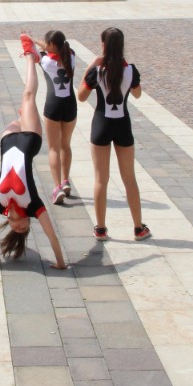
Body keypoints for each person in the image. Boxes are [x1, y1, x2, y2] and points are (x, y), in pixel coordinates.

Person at [0, 35, 67, 269]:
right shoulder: (34, 205)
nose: (18, 226)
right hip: (29, 139)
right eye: (23, 228)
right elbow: (52, 236)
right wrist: (60, 263)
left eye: (14, 228)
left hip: (7, 140)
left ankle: (24, 113)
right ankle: (30, 55)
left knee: (24, 109)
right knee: (28, 96)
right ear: (29, 222)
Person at [77, 27, 151, 242]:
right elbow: (137, 94)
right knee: (129, 178)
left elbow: (81, 96)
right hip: (123, 125)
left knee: (101, 179)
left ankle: (101, 228)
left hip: (101, 124)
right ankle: (138, 227)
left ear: (103, 45)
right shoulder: (130, 70)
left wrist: (91, 65)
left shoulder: (97, 71)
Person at [25, 30, 77, 204]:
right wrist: (37, 40)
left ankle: (57, 187)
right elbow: (47, 48)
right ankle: (65, 180)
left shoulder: (45, 61)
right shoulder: (71, 56)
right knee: (65, 145)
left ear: (52, 46)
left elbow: (37, 53)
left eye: (48, 44)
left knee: (53, 148)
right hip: (70, 105)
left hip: (53, 106)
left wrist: (30, 40)